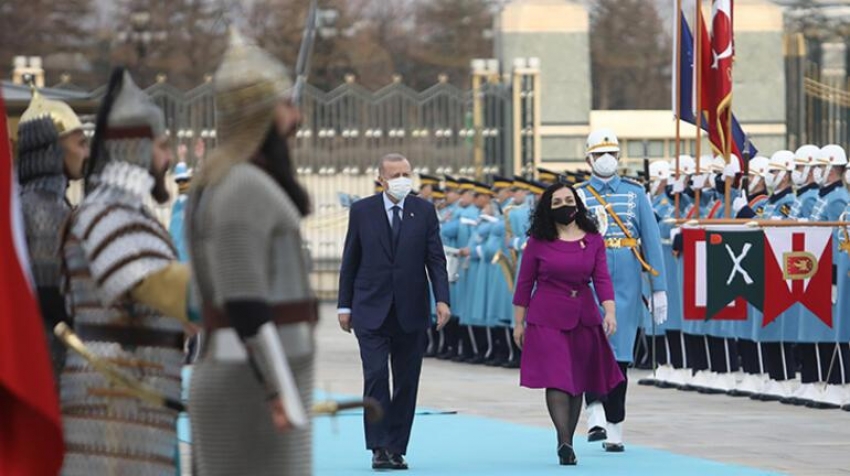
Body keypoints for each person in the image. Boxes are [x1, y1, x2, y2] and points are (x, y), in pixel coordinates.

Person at [185, 30, 318, 476]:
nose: (295, 116)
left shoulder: (231, 182)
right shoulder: (241, 186)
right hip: (248, 382)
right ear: (261, 113)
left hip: (254, 377)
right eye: (286, 104)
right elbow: (246, 305)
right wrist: (277, 390)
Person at [59, 67, 189, 475]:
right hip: (111, 393)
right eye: (162, 146)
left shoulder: (121, 212)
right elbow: (157, 285)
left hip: (133, 388)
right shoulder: (107, 212)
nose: (168, 159)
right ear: (137, 147)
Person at [338, 153, 451, 470]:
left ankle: (396, 447)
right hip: (369, 309)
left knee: (406, 381)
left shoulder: (424, 210)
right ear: (381, 178)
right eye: (395, 174)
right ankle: (377, 446)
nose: (403, 179)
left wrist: (442, 299)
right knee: (375, 376)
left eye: (407, 173)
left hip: (411, 309)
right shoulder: (362, 211)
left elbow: (436, 259)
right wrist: (344, 305)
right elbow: (351, 260)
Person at [512, 182, 623, 466]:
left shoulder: (594, 239)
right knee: (559, 377)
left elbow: (602, 279)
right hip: (546, 316)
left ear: (578, 204)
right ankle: (563, 440)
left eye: (569, 200)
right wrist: (518, 323)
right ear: (548, 208)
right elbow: (524, 284)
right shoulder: (538, 242)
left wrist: (609, 312)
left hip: (584, 315)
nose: (565, 205)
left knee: (578, 381)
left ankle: (569, 442)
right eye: (557, 201)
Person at [576, 128, 667, 452]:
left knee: (620, 355)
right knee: (589, 348)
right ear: (588, 158)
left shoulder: (634, 193)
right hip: (588, 278)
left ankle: (616, 425)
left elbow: (652, 242)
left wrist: (659, 288)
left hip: (627, 276)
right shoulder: (578, 195)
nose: (605, 160)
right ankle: (594, 412)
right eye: (600, 154)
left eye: (611, 154)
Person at [16, 85, 88, 380]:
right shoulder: (43, 207)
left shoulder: (41, 201)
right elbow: (51, 297)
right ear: (54, 147)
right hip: (49, 357)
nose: (86, 151)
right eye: (80, 143)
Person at [169, 161, 192, 262]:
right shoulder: (177, 206)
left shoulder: (189, 204)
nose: (182, 184)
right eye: (180, 182)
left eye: (184, 181)